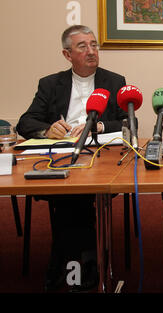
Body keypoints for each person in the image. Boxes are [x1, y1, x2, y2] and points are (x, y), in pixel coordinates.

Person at [16, 25, 127, 291]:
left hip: (100, 159)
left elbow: (126, 122)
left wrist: (100, 126)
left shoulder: (114, 81)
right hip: (61, 157)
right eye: (82, 47)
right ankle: (85, 258)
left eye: (94, 45)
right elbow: (25, 122)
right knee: (70, 193)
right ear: (67, 55)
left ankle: (66, 259)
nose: (91, 51)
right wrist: (46, 130)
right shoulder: (51, 84)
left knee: (75, 196)